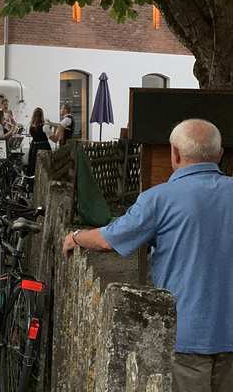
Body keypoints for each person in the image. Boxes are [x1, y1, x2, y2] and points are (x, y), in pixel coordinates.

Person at [62, 119, 233, 392]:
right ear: (220, 154)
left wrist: (75, 237)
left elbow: (109, 240)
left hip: (186, 336)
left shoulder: (159, 199)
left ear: (174, 154)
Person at [27, 107, 51, 177]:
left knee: (33, 166)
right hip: (43, 147)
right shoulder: (44, 126)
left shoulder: (31, 125)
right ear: (42, 116)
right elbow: (52, 138)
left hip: (34, 147)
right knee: (43, 168)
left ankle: (32, 185)